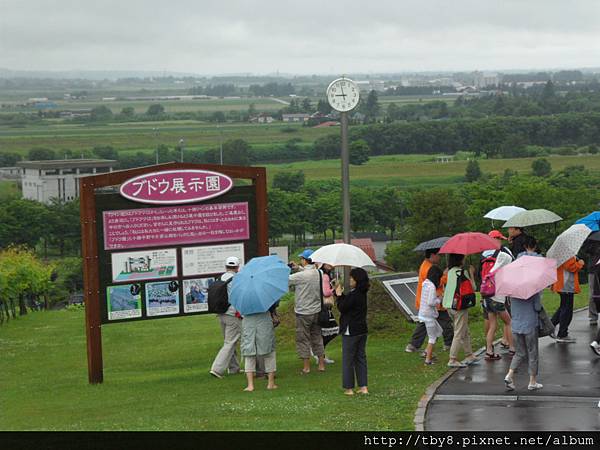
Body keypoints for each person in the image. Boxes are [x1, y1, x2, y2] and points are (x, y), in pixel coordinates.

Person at [504, 247, 543, 391]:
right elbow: (538, 307)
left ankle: (510, 374)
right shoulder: (533, 285)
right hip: (530, 325)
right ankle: (532, 381)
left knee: (520, 353)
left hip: (516, 325)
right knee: (533, 352)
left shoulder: (511, 286)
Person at [405, 248, 453, 354]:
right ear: (432, 255)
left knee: (424, 324)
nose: (439, 257)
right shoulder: (429, 268)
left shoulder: (425, 265)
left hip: (425, 301)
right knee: (445, 322)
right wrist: (445, 276)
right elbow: (436, 283)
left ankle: (413, 345)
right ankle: (448, 344)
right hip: (433, 301)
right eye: (438, 255)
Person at [289, 249, 326, 374]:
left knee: (303, 339)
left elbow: (287, 279)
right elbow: (306, 273)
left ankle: (306, 367)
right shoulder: (319, 272)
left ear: (305, 260)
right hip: (317, 310)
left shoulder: (301, 276)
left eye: (301, 259)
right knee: (317, 337)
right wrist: (298, 268)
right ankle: (321, 364)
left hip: (303, 312)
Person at [335, 267, 369, 395]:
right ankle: (363, 386)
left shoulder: (354, 294)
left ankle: (349, 388)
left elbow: (342, 307)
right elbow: (348, 304)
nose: (349, 280)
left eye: (351, 278)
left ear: (357, 280)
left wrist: (338, 295)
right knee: (360, 358)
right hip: (362, 330)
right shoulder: (361, 293)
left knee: (348, 359)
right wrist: (342, 295)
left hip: (351, 331)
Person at [481, 230, 515, 357]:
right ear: (496, 239)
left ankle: (489, 351)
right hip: (498, 294)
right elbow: (513, 265)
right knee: (509, 322)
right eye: (499, 239)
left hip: (486, 293)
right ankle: (512, 348)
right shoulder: (502, 253)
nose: (501, 241)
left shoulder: (483, 255)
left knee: (492, 324)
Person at [443, 253, 478, 368]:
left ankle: (469, 355)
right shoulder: (462, 272)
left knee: (464, 330)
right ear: (460, 259)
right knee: (458, 332)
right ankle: (452, 359)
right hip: (460, 306)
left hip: (449, 304)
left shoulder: (448, 272)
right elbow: (473, 288)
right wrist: (472, 274)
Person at [210, 256, 242, 379]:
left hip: (221, 313)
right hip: (232, 314)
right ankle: (217, 369)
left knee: (229, 341)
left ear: (226, 266)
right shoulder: (237, 279)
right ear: (237, 267)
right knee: (230, 342)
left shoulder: (221, 278)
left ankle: (234, 368)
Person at [241, 302, 278, 392]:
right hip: (264, 319)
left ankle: (250, 385)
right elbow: (274, 304)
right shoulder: (265, 293)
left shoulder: (243, 295)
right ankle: (271, 383)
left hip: (248, 321)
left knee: (249, 352)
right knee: (269, 352)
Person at [551, 256, 585, 343]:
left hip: (563, 284)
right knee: (567, 310)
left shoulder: (561, 253)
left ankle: (550, 326)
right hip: (566, 285)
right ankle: (562, 334)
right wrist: (579, 263)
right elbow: (571, 267)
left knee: (563, 308)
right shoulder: (567, 254)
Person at [418, 266, 444, 365]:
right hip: (429, 315)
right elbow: (431, 302)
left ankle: (427, 352)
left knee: (439, 331)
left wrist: (436, 297)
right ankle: (428, 359)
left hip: (424, 313)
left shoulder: (425, 283)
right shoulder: (432, 286)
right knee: (432, 337)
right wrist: (439, 299)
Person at [314, 264, 338, 365]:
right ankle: (319, 352)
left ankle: (320, 354)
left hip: (320, 306)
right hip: (325, 307)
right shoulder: (325, 276)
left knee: (325, 331)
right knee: (333, 329)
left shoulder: (319, 274)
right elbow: (326, 292)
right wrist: (335, 288)